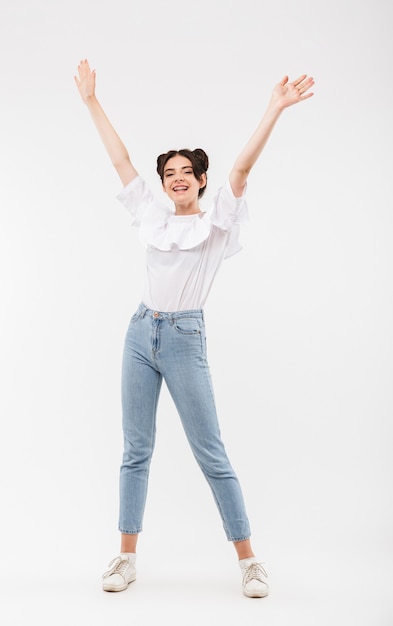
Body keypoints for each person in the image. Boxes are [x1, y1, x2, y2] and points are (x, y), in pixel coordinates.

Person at [74, 59, 314, 598]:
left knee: (211, 452)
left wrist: (273, 108)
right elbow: (120, 159)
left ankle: (249, 560)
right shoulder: (152, 218)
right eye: (169, 174)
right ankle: (125, 557)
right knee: (136, 448)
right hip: (140, 334)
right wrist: (91, 101)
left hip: (184, 338)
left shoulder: (215, 225)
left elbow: (243, 170)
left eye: (185, 171)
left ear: (200, 180)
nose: (176, 178)